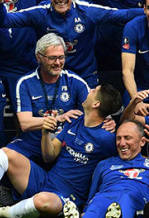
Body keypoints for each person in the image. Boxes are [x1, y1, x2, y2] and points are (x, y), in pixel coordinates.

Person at [0, 84, 121, 218]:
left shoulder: (107, 137)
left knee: (43, 202)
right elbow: (49, 156)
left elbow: (121, 151)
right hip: (44, 180)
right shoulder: (75, 120)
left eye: (93, 91)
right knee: (5, 154)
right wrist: (46, 132)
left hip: (65, 197)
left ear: (96, 104)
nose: (89, 91)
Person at [0, 0, 149, 87]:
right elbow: (3, 21)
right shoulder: (39, 12)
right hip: (51, 77)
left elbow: (124, 15)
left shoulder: (87, 11)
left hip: (85, 77)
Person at [63, 120, 149, 218]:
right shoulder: (104, 164)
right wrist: (86, 210)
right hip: (107, 196)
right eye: (118, 138)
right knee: (99, 200)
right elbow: (93, 194)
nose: (122, 143)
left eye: (127, 138)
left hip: (138, 201)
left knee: (127, 196)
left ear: (142, 142)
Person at [6, 34, 91, 162]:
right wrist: (58, 119)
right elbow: (25, 123)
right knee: (4, 156)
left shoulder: (75, 81)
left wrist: (107, 121)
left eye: (61, 57)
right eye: (52, 58)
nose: (57, 63)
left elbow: (95, 110)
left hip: (64, 145)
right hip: (32, 144)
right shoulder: (25, 83)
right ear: (38, 57)